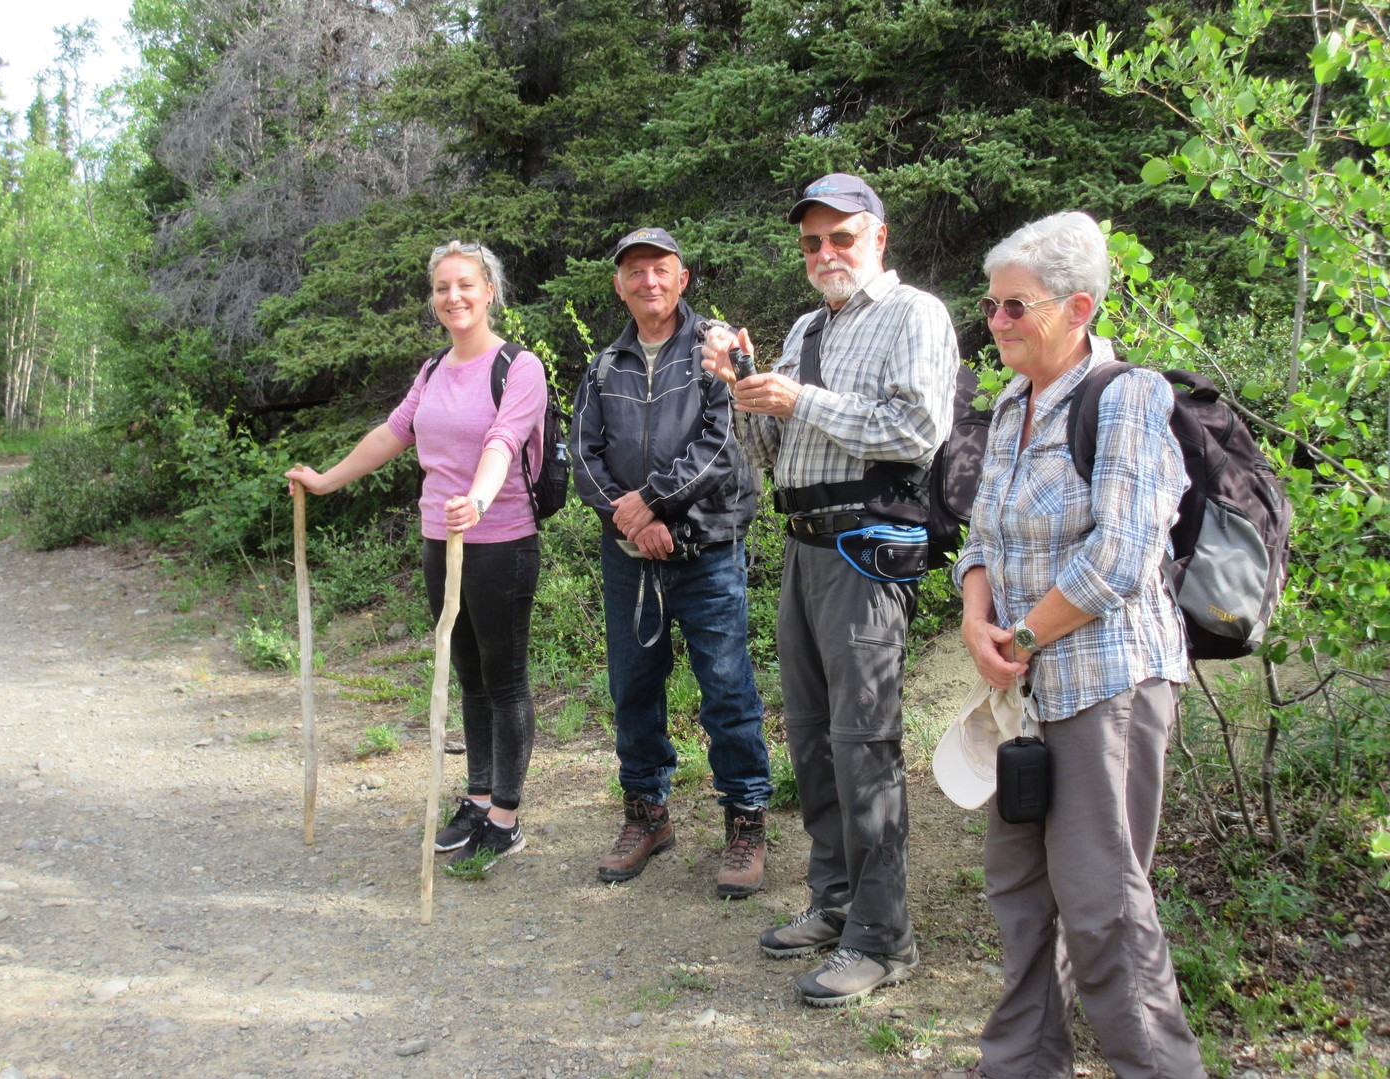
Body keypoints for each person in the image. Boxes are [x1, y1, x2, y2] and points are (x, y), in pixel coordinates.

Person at [926, 211, 1205, 1079]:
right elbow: (980, 531)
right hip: (1024, 695)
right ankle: (1019, 1065)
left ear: (1078, 307)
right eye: (990, 305)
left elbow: (1121, 555)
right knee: (1018, 892)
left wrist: (1018, 636)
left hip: (1107, 685)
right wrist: (975, 620)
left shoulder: (1129, 398)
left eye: (1016, 306)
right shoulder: (1013, 401)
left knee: (1102, 906)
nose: (996, 322)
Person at [702, 174, 960, 1006]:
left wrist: (802, 399)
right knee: (812, 738)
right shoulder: (807, 328)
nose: (824, 253)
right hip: (803, 547)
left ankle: (883, 937)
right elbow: (766, 448)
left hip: (867, 553)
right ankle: (836, 901)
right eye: (812, 242)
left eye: (841, 237)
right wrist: (741, 386)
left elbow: (918, 430)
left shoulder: (915, 314)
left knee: (862, 742)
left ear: (878, 237)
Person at [285, 239, 547, 872]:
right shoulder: (432, 371)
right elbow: (392, 432)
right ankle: (478, 798)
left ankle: (506, 817)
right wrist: (325, 480)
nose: (453, 297)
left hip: (501, 542)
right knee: (468, 675)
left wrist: (478, 501)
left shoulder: (519, 368)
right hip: (440, 541)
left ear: (489, 292)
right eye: (441, 288)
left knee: (504, 678)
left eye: (465, 285)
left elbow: (503, 441)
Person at [570, 226, 772, 899]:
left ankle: (746, 822)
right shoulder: (604, 366)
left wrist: (652, 505)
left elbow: (724, 445)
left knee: (728, 690)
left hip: (708, 550)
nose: (648, 281)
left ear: (682, 278)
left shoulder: (717, 348)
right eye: (635, 271)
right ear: (619, 285)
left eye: (660, 269)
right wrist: (632, 519)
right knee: (632, 689)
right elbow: (583, 458)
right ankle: (646, 815)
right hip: (630, 558)